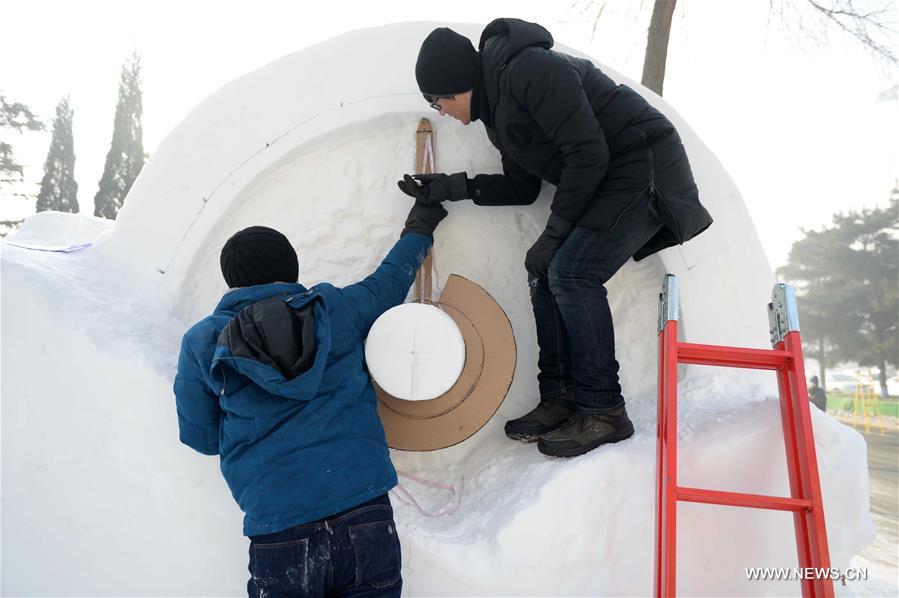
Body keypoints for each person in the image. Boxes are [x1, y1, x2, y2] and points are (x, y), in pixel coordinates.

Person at [399, 19, 712, 458]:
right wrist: (449, 187)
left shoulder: (529, 70)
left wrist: (556, 233)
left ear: (454, 87)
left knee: (572, 272)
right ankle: (564, 396)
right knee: (543, 267)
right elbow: (524, 187)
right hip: (608, 176)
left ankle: (604, 409)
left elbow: (588, 153)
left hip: (643, 164)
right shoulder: (498, 112)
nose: (439, 111)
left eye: (436, 101)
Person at [173, 200, 447, 597]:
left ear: (232, 282)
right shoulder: (335, 310)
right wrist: (422, 223)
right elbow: (389, 281)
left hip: (278, 527)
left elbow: (200, 436)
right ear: (292, 269)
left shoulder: (203, 340)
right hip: (363, 511)